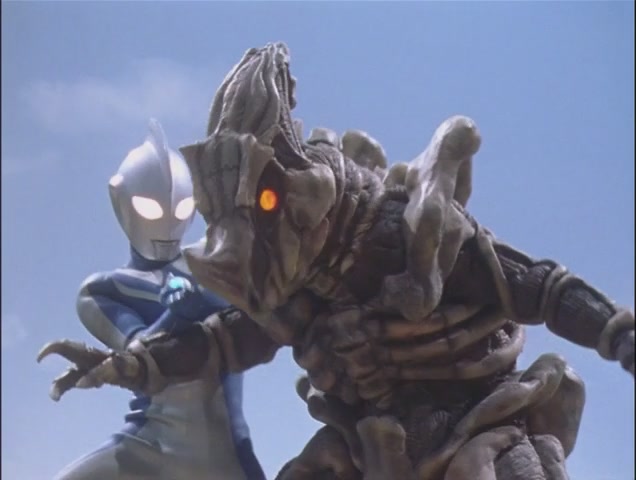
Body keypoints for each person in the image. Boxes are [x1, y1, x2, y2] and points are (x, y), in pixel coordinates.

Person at [53, 119, 266, 480]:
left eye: (182, 209)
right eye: (150, 208)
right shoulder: (104, 290)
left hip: (227, 451)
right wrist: (176, 315)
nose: (167, 221)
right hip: (149, 445)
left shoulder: (214, 261)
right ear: (119, 199)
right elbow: (141, 357)